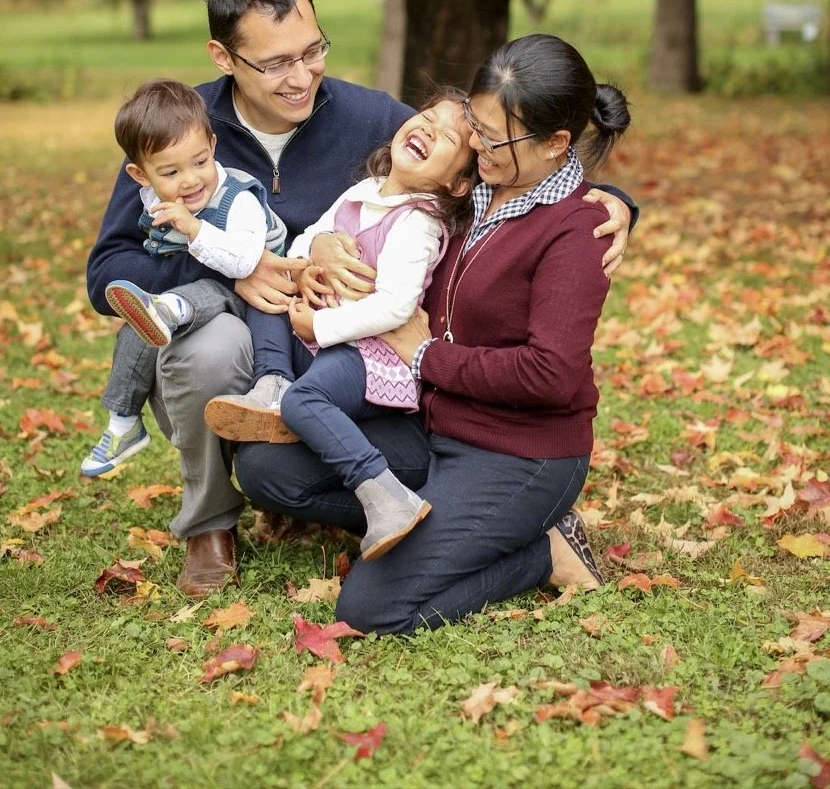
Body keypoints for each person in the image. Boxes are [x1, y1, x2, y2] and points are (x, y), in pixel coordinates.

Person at [86, 0, 634, 596]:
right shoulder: (178, 130)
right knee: (211, 350)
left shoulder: (371, 117)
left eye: (312, 50)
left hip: (349, 343)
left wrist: (614, 199)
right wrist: (232, 267)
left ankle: (463, 518)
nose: (303, 76)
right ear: (222, 56)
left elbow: (483, 156)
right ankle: (210, 524)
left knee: (283, 456)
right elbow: (108, 274)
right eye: (276, 63)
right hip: (239, 325)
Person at [234, 33, 630, 634]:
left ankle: (545, 552)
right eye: (475, 122)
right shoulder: (471, 192)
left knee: (371, 608)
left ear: (556, 144)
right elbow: (383, 203)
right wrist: (320, 240)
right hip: (433, 427)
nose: (476, 144)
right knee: (269, 470)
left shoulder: (576, 233)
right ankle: (435, 523)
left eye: (495, 138)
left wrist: (426, 355)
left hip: (516, 452)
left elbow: (549, 375)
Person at [205, 94, 477, 561]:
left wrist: (320, 325)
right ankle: (270, 381)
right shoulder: (365, 190)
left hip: (371, 354)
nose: (429, 129)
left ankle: (384, 494)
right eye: (427, 117)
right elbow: (308, 233)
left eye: (447, 136)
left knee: (305, 401)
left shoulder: (419, 223)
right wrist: (311, 260)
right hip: (330, 335)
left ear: (457, 183)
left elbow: (395, 309)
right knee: (269, 295)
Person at [80, 79, 287, 477]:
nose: (190, 180)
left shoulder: (237, 197)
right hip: (202, 293)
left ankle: (172, 308)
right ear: (140, 175)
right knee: (135, 331)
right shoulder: (153, 198)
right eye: (171, 171)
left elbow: (244, 265)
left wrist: (193, 230)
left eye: (199, 163)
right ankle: (123, 423)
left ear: (212, 146)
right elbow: (107, 266)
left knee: (203, 290)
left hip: (259, 301)